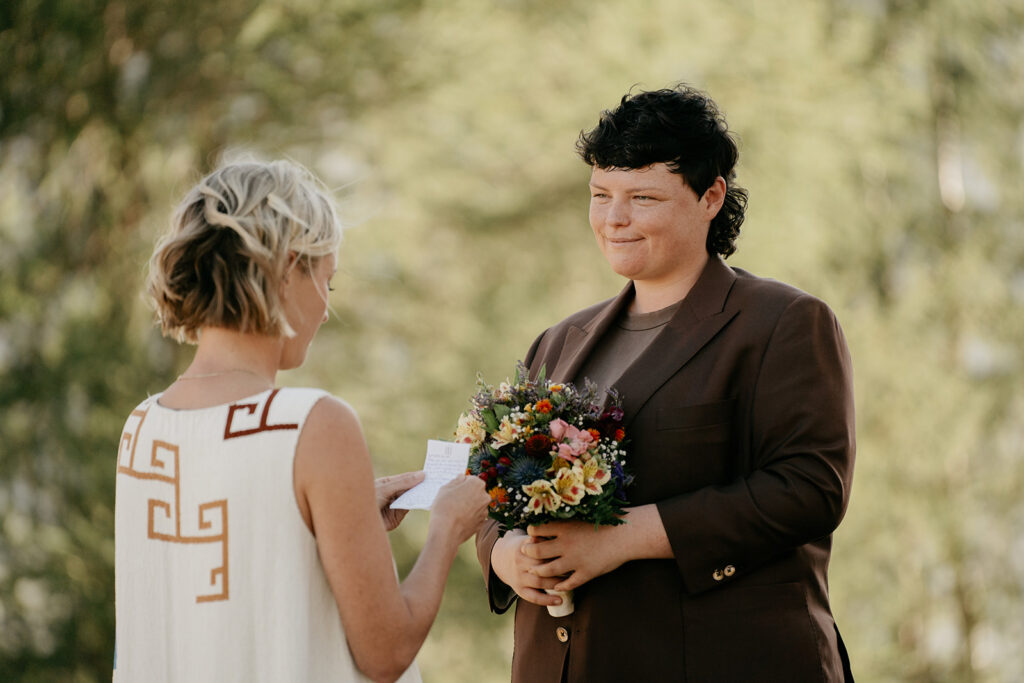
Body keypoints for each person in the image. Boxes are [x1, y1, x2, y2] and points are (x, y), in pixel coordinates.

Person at [476, 85, 856, 682]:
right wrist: (505, 555)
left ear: (711, 197)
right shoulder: (556, 342)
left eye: (642, 197)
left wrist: (621, 538)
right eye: (600, 196)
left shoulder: (782, 322)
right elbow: (493, 495)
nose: (613, 219)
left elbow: (810, 489)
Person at [114, 159, 489, 683]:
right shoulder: (313, 423)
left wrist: (338, 519)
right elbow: (387, 652)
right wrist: (448, 527)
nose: (325, 309)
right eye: (328, 282)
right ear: (290, 269)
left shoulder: (142, 426)